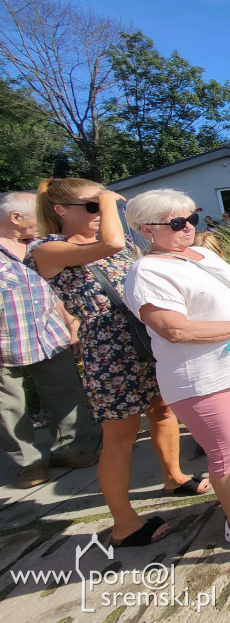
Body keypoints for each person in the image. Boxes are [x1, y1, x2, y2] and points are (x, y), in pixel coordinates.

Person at [29, 178, 209, 548]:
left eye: (103, 206)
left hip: (143, 337)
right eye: (92, 206)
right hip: (109, 350)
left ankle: (173, 477)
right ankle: (123, 524)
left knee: (163, 410)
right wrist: (110, 200)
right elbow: (109, 243)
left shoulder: (114, 241)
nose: (102, 212)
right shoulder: (46, 249)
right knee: (119, 437)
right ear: (60, 210)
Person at [124, 189, 230, 548]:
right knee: (226, 450)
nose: (188, 227)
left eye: (192, 218)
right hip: (200, 377)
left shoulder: (201, 253)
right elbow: (174, 329)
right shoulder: (148, 272)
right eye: (176, 223)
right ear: (147, 229)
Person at [0, 192, 100, 488]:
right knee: (9, 408)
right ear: (16, 218)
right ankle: (28, 465)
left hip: (50, 336)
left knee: (67, 393)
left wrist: (72, 326)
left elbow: (54, 291)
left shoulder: (41, 247)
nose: (47, 219)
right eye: (39, 213)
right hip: (5, 343)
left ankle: (73, 449)